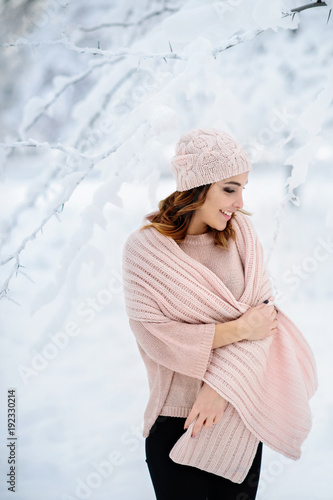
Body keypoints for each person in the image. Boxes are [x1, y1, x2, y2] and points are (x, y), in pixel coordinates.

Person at [122, 128, 317, 500]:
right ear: (196, 188)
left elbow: (265, 323)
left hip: (238, 416)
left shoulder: (242, 234)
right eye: (230, 188)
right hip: (176, 421)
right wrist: (239, 328)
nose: (240, 201)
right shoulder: (145, 250)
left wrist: (218, 390)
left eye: (243, 187)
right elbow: (156, 336)